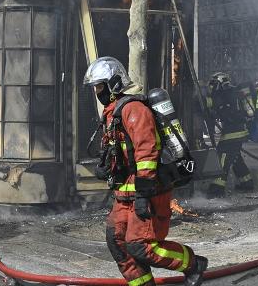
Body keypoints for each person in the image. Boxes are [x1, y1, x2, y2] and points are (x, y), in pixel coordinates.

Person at [83, 57, 208, 286]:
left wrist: (143, 194)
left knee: (141, 246)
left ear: (114, 83)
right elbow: (119, 149)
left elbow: (147, 152)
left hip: (149, 190)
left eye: (100, 86)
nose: (97, 92)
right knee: (117, 241)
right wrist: (106, 167)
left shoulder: (134, 109)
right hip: (125, 191)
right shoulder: (113, 112)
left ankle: (193, 264)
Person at [206, 72, 254, 198]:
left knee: (223, 157)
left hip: (231, 133)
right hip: (240, 130)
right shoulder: (236, 91)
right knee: (236, 157)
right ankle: (247, 182)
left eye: (214, 83)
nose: (212, 86)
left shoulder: (222, 93)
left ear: (219, 82)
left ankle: (217, 187)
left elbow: (211, 106)